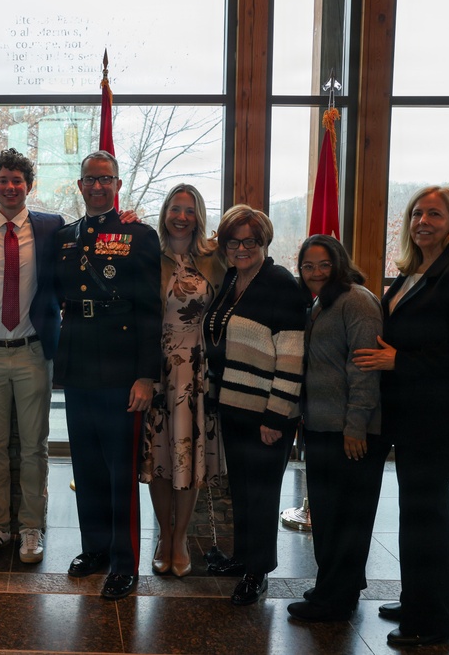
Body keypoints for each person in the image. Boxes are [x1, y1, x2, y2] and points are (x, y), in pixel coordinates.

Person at [354, 186, 449, 647]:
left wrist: (401, 363)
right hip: (412, 416)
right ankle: (422, 595)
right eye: (417, 213)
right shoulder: (414, 273)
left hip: (442, 419)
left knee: (424, 515)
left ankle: (431, 621)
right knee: (423, 513)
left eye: (434, 214)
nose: (422, 221)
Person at [54, 150, 162, 600]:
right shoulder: (64, 236)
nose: (98, 187)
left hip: (121, 368)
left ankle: (124, 560)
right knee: (88, 466)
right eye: (90, 180)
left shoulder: (139, 235)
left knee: (120, 470)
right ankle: (94, 547)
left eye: (106, 180)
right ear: (80, 186)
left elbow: (151, 310)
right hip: (79, 363)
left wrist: (146, 376)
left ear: (117, 185)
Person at [202, 204, 307, 606]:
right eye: (233, 241)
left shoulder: (280, 284)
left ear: (264, 242)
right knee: (242, 492)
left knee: (262, 495)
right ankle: (241, 557)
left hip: (267, 414)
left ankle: (258, 571)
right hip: (233, 406)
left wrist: (276, 416)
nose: (241, 248)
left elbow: (292, 356)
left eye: (250, 241)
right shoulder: (232, 279)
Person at [0, 149, 64, 564]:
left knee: (33, 447)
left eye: (17, 181)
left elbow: (90, 249)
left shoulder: (52, 227)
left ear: (29, 186)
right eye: (3, 180)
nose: (10, 187)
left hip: (32, 352)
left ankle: (30, 527)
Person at [285, 234, 386, 622]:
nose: (315, 273)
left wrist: (356, 426)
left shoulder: (357, 301)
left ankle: (334, 600)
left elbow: (364, 367)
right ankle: (337, 585)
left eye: (324, 265)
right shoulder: (320, 303)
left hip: (351, 431)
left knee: (346, 517)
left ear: (339, 264)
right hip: (324, 427)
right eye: (308, 266)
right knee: (330, 515)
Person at [139, 183, 226, 578]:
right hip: (156, 369)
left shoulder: (214, 259)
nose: (181, 216)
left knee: (188, 456)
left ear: (198, 215)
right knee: (160, 455)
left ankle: (180, 539)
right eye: (175, 208)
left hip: (198, 369)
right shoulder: (148, 255)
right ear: (165, 213)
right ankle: (162, 534)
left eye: (189, 210)